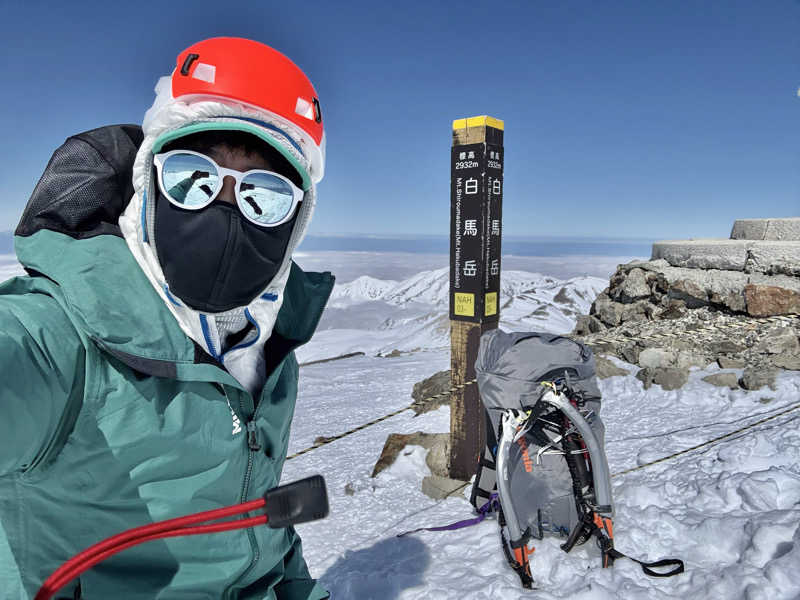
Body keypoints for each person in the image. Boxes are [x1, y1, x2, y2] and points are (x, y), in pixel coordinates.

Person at [0, 37, 332, 599]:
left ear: (295, 220)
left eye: (266, 193)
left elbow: (258, 526)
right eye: (191, 177)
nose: (225, 206)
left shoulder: (271, 348)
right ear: (148, 182)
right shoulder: (61, 336)